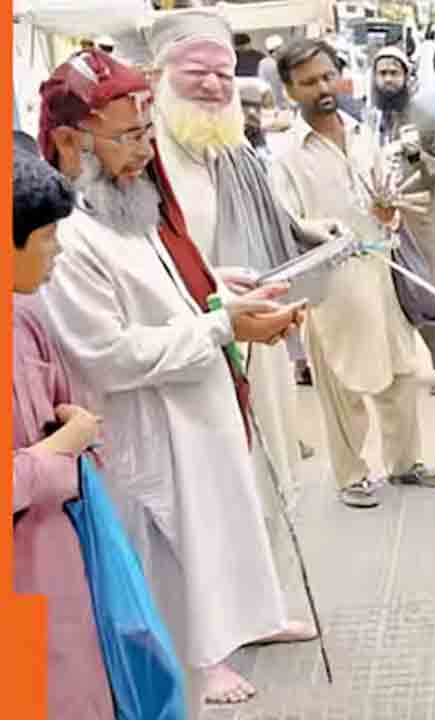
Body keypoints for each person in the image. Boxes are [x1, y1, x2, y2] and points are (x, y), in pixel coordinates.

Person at [36, 49, 305, 706]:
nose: (143, 151)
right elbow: (107, 353)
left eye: (145, 134)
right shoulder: (67, 234)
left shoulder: (126, 204)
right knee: (169, 577)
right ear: (71, 142)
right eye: (127, 137)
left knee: (214, 552)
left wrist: (217, 289)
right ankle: (187, 671)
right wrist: (222, 327)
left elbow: (162, 292)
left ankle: (231, 641)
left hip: (195, 414)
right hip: (146, 434)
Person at [150, 9, 320, 553]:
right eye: (195, 71)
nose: (213, 84)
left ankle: (265, 598)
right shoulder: (141, 153)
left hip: (249, 325)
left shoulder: (232, 146)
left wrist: (315, 235)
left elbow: (274, 221)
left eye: (224, 74)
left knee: (264, 456)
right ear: (157, 76)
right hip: (184, 337)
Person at [272, 38, 435, 509]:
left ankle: (405, 463)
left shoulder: (363, 133)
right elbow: (287, 224)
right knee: (341, 384)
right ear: (290, 91)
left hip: (380, 271)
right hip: (332, 284)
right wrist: (322, 231)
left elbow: (385, 205)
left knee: (401, 373)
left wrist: (388, 212)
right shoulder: (286, 153)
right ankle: (351, 475)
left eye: (328, 76)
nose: (323, 88)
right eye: (309, 82)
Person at [12, 146, 113, 720]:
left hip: (52, 559)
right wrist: (64, 445)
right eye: (48, 235)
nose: (59, 249)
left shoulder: (23, 316)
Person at [370, 45, 435, 397]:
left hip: (418, 220)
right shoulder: (370, 118)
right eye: (382, 73)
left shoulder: (425, 119)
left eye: (395, 72)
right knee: (386, 292)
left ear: (407, 77)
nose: (388, 79)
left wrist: (419, 156)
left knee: (428, 293)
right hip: (379, 218)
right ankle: (398, 363)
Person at [258, 34, 287, 109]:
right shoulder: (265, 64)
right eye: (273, 51)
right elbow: (263, 85)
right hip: (275, 104)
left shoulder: (290, 60)